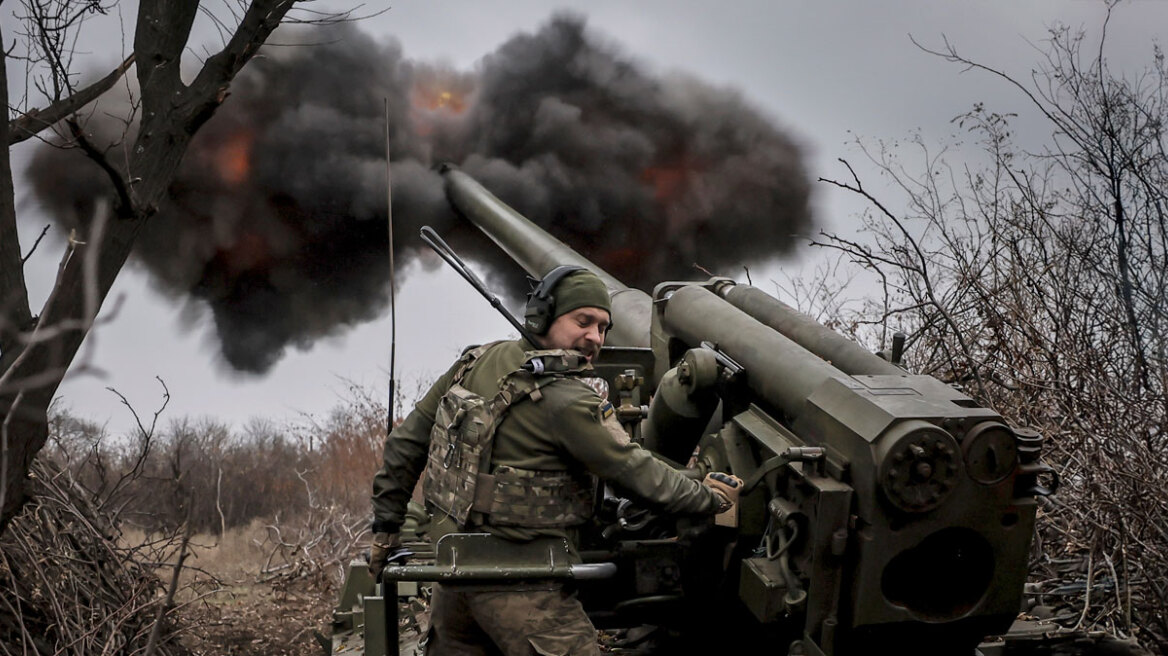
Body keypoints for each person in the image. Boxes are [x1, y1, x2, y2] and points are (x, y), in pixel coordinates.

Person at [369, 266, 742, 656]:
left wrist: (385, 532)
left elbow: (404, 445)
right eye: (583, 321)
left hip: (455, 578)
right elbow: (639, 474)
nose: (594, 338)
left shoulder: (473, 362)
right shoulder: (568, 399)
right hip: (526, 589)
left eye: (602, 328)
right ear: (541, 317)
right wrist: (710, 497)